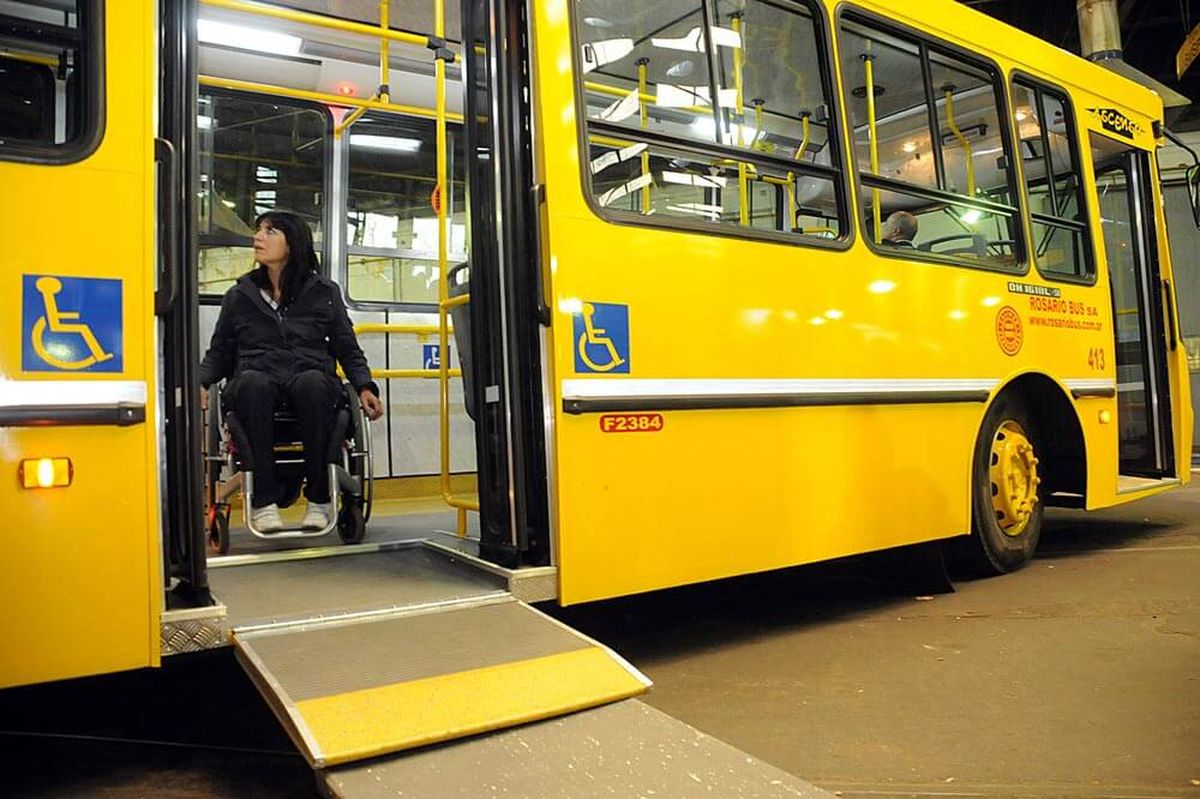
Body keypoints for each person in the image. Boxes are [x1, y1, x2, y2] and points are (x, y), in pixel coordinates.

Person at [199, 210, 384, 533]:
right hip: (256, 376)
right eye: (258, 230)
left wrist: (366, 387)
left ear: (293, 243)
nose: (258, 237)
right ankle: (263, 503)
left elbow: (346, 347)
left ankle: (320, 499)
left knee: (314, 385)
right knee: (252, 385)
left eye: (270, 232)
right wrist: (200, 382)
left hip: (309, 376)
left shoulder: (324, 292)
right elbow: (220, 352)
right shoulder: (239, 296)